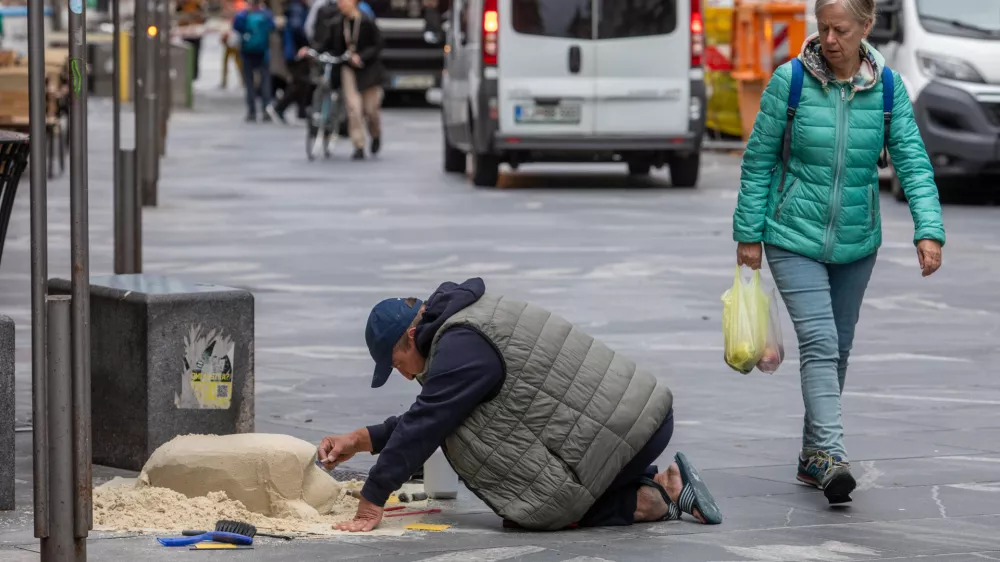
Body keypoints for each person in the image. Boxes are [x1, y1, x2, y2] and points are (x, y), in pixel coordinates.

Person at [732, 0, 945, 505]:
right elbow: (758, 160)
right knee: (822, 342)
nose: (829, 39)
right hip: (791, 235)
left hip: (857, 242)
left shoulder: (889, 89)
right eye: (823, 28)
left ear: (866, 28)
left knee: (839, 347)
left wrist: (928, 230)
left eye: (841, 29)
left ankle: (811, 457)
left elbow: (913, 162)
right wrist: (748, 235)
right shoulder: (791, 82)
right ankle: (830, 454)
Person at [317, 278, 724, 532]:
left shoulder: (459, 347)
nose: (405, 375)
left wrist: (372, 501)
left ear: (410, 335)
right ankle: (664, 481)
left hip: (627, 434)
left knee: (536, 512)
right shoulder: (462, 324)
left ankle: (655, 497)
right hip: (636, 421)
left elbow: (428, 421)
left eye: (397, 364)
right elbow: (435, 410)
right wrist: (361, 439)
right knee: (529, 499)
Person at [325, 0, 384, 160]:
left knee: (371, 110)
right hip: (348, 68)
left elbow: (377, 45)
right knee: (353, 108)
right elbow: (327, 44)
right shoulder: (337, 23)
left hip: (368, 70)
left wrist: (362, 56)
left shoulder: (366, 21)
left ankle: (375, 134)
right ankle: (358, 144)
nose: (340, 4)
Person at [232, 0, 277, 122]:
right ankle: (265, 110)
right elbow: (273, 27)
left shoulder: (243, 14)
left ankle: (251, 111)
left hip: (247, 52)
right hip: (263, 53)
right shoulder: (266, 14)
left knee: (249, 82)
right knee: (265, 81)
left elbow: (236, 27)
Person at [268, 0, 312, 123]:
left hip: (293, 50)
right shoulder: (296, 8)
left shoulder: (296, 7)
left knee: (302, 81)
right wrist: (305, 44)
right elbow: (296, 27)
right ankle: (279, 107)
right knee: (300, 81)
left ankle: (300, 110)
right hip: (296, 51)